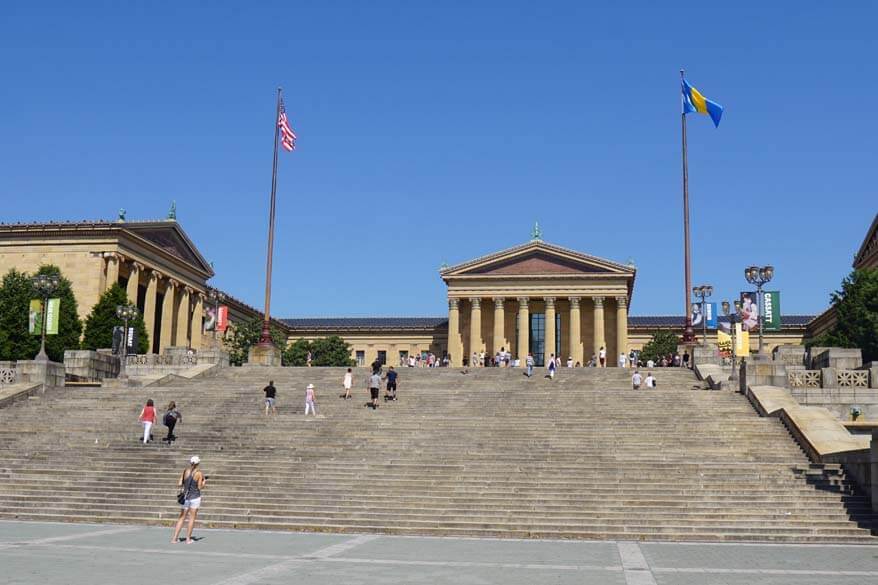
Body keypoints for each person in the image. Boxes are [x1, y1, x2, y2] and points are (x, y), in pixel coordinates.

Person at [171, 455, 206, 544]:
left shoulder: (185, 471)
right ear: (198, 463)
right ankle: (188, 539)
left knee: (181, 517)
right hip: (195, 498)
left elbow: (179, 483)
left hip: (186, 498)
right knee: (192, 518)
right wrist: (204, 482)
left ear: (190, 462)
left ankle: (174, 538)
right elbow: (199, 487)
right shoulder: (199, 473)